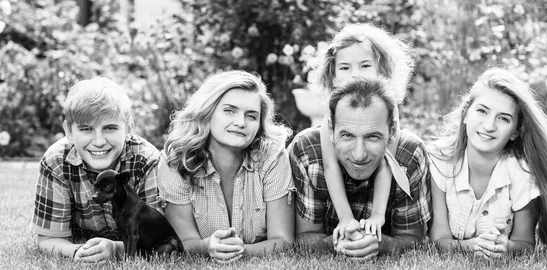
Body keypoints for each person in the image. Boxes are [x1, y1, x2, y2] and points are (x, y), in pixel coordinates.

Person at [428, 67, 547, 259]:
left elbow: (525, 243)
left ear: (515, 131)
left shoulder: (523, 174)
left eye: (503, 119)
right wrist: (472, 246)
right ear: (465, 114)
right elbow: (439, 239)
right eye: (482, 111)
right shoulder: (439, 160)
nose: (489, 126)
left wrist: (506, 246)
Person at [158, 70, 294, 263]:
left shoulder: (273, 157)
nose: (240, 123)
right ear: (208, 112)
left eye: (251, 116)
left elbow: (283, 241)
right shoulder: (176, 162)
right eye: (229, 111)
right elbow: (184, 241)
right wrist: (207, 246)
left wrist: (243, 251)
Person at [289, 78, 432, 259]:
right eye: (347, 135)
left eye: (372, 137)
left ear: (392, 131)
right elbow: (303, 238)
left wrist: (381, 244)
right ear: (331, 130)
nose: (359, 155)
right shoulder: (307, 151)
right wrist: (335, 243)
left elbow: (414, 239)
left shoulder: (410, 154)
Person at [31, 77, 162, 262]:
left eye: (109, 128)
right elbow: (48, 239)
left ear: (129, 128)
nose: (99, 141)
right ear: (69, 130)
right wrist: (79, 252)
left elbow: (157, 236)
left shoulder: (147, 161)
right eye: (86, 129)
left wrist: (116, 249)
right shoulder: (56, 162)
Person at [313, 23, 414, 243]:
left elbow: (387, 164)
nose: (355, 74)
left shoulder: (388, 108)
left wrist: (377, 216)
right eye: (345, 68)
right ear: (333, 75)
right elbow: (330, 166)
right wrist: (345, 217)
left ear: (382, 71)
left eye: (365, 65)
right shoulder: (333, 111)